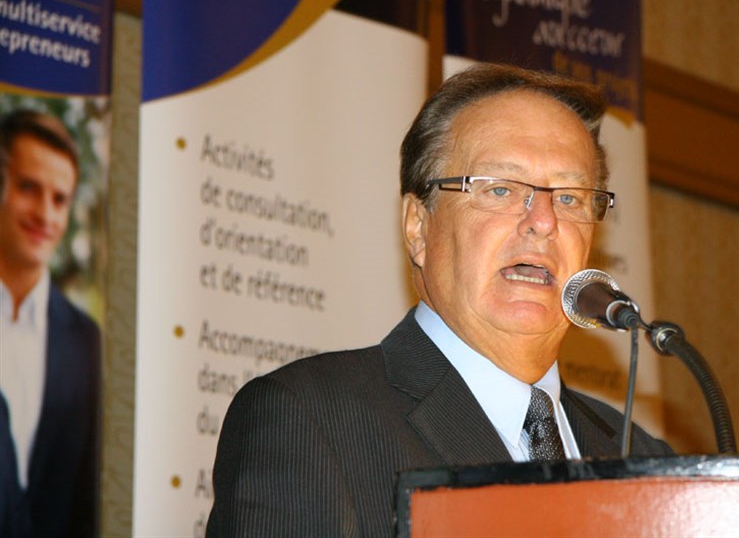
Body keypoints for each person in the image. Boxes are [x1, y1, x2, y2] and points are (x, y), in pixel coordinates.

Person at [207, 63, 672, 537]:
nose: (544, 221)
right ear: (418, 226)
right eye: (500, 189)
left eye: (570, 198)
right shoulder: (311, 420)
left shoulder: (646, 459)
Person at [0, 109, 101, 538]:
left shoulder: (86, 342)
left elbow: (86, 504)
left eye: (59, 199)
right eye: (29, 188)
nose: (45, 214)